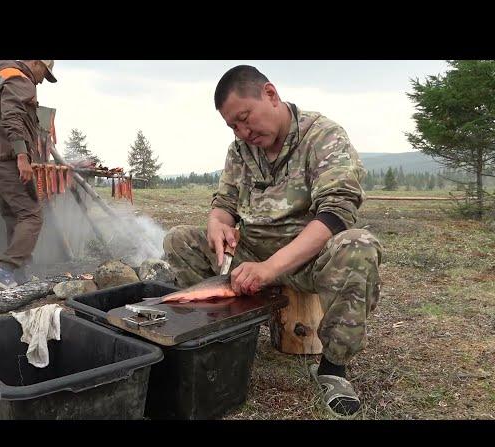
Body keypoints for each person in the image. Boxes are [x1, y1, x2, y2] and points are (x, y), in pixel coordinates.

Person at [163, 65, 382, 417]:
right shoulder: (241, 150)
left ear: (271, 94)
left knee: (359, 247)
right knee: (179, 241)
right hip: (252, 251)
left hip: (307, 258)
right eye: (233, 126)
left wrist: (270, 269)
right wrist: (217, 224)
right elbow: (224, 204)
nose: (243, 131)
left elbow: (337, 212)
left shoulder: (322, 136)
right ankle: (229, 337)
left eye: (245, 119)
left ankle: (333, 369)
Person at [0, 60, 57, 289]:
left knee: (14, 215)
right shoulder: (20, 79)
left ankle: (18, 274)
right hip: (6, 157)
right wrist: (22, 156)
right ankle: (5, 272)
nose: (41, 79)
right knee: (32, 215)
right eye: (44, 72)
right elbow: (12, 117)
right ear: (34, 62)